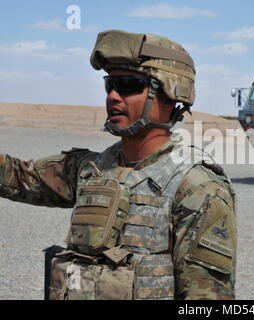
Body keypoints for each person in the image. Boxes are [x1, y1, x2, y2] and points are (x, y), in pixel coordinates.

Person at [0, 30, 236, 300]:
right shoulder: (92, 169)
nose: (112, 96)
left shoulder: (198, 188)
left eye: (127, 86)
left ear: (171, 96)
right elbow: (17, 176)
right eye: (109, 85)